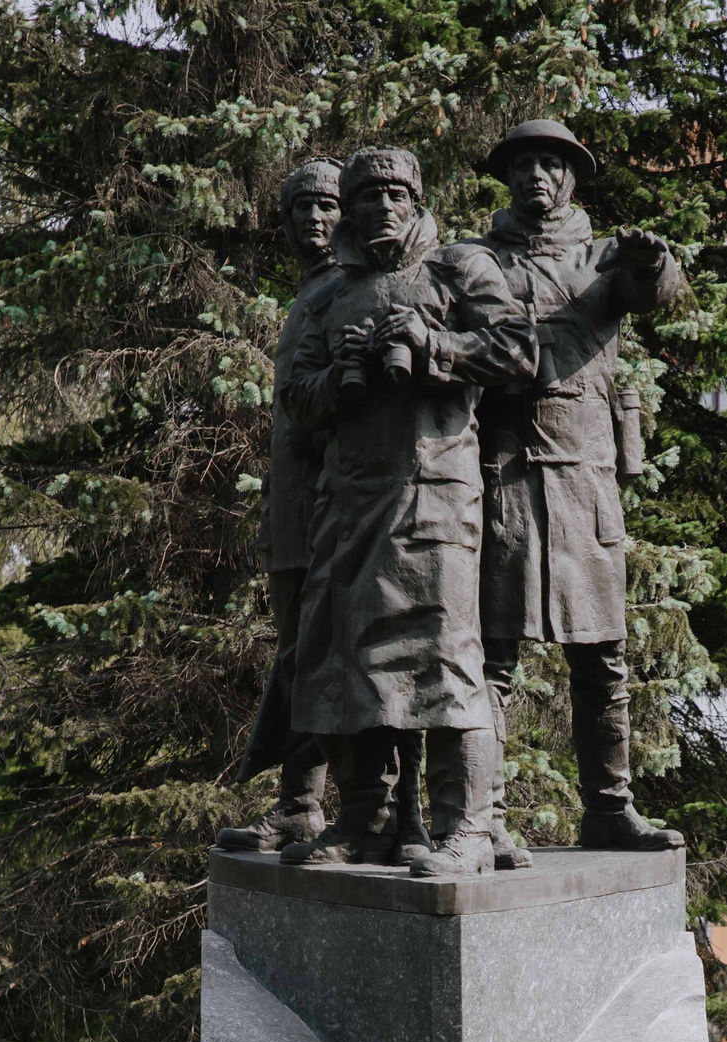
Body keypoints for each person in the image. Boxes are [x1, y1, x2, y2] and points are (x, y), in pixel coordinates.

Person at [279, 147, 538, 877]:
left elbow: (518, 351)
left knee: (449, 661)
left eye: (398, 194)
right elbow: (296, 398)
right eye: (368, 197)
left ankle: (468, 828)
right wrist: (340, 375)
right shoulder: (333, 294)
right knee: (344, 664)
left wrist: (433, 347)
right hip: (350, 501)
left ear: (417, 199)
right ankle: (370, 819)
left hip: (435, 494)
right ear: (351, 209)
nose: (383, 208)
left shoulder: (459, 268)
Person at [471, 118, 689, 857]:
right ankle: (485, 817)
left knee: (602, 659)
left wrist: (651, 260)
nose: (537, 175)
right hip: (507, 475)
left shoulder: (603, 257)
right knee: (492, 659)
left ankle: (610, 808)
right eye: (524, 162)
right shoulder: (480, 260)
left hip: (588, 479)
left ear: (570, 178)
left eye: (551, 164)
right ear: (508, 177)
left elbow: (653, 290)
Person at [218, 158, 345, 854]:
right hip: (295, 513)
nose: (313, 222)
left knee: (320, 656)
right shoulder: (308, 295)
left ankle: (327, 804)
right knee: (299, 656)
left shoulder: (345, 291)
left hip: (332, 508)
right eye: (300, 212)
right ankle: (300, 804)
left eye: (326, 208)